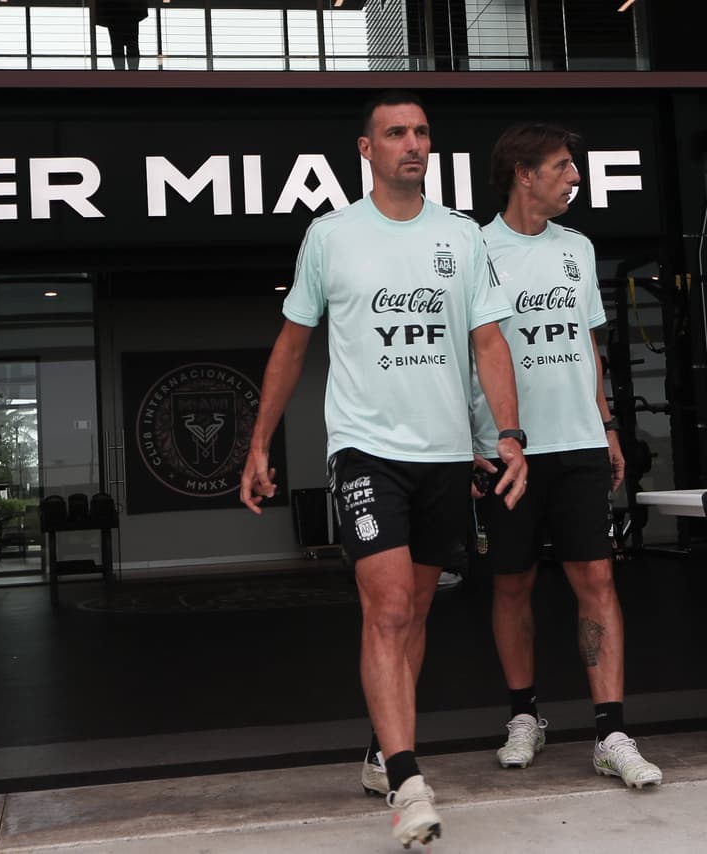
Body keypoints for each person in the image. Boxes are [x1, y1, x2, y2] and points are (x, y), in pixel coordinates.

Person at [240, 91, 527, 848]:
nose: (412, 143)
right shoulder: (332, 236)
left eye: (422, 131)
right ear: (365, 150)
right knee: (389, 605)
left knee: (418, 613)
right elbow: (293, 344)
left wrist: (509, 434)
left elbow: (490, 343)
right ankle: (406, 781)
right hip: (365, 448)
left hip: (442, 454)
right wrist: (261, 441)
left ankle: (379, 747)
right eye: (395, 132)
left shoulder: (461, 238)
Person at [469, 123, 662, 788]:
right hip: (508, 453)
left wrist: (608, 426)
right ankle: (524, 715)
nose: (574, 178)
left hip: (579, 443)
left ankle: (610, 730)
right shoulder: (476, 249)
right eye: (562, 168)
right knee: (512, 583)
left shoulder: (577, 248)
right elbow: (465, 355)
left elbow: (589, 348)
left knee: (597, 584)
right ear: (524, 174)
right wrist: (475, 443)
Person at [93, 0, 148, 71]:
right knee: (131, 46)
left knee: (118, 46)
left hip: (114, 13)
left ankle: (121, 72)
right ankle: (131, 73)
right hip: (129, 13)